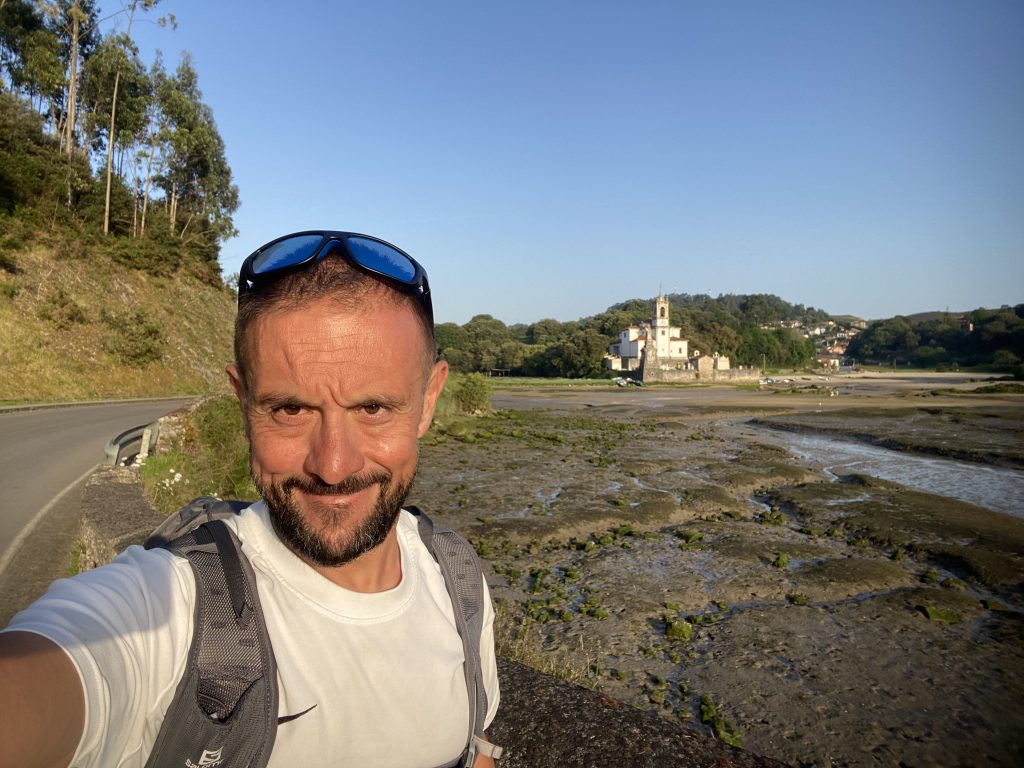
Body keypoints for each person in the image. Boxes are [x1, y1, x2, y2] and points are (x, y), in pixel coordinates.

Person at [0, 231, 500, 768]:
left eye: (373, 408)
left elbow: (473, 750)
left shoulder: (458, 580)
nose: (333, 466)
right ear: (243, 402)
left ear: (428, 400)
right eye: (290, 410)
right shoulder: (174, 604)